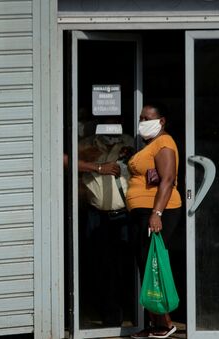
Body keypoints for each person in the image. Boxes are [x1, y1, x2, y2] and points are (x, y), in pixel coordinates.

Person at [127, 103, 182, 339]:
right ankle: (153, 323)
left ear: (161, 121)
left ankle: (166, 323)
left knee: (153, 265)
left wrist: (156, 213)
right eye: (140, 118)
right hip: (143, 212)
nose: (142, 122)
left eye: (147, 118)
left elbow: (168, 179)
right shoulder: (150, 146)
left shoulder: (164, 143)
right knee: (145, 265)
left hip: (159, 211)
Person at [77, 116, 136, 327]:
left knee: (126, 266)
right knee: (102, 267)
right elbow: (63, 159)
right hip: (96, 215)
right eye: (107, 121)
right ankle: (110, 317)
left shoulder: (130, 143)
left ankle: (135, 314)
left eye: (116, 120)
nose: (112, 125)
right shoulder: (87, 145)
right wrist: (98, 167)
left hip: (124, 215)